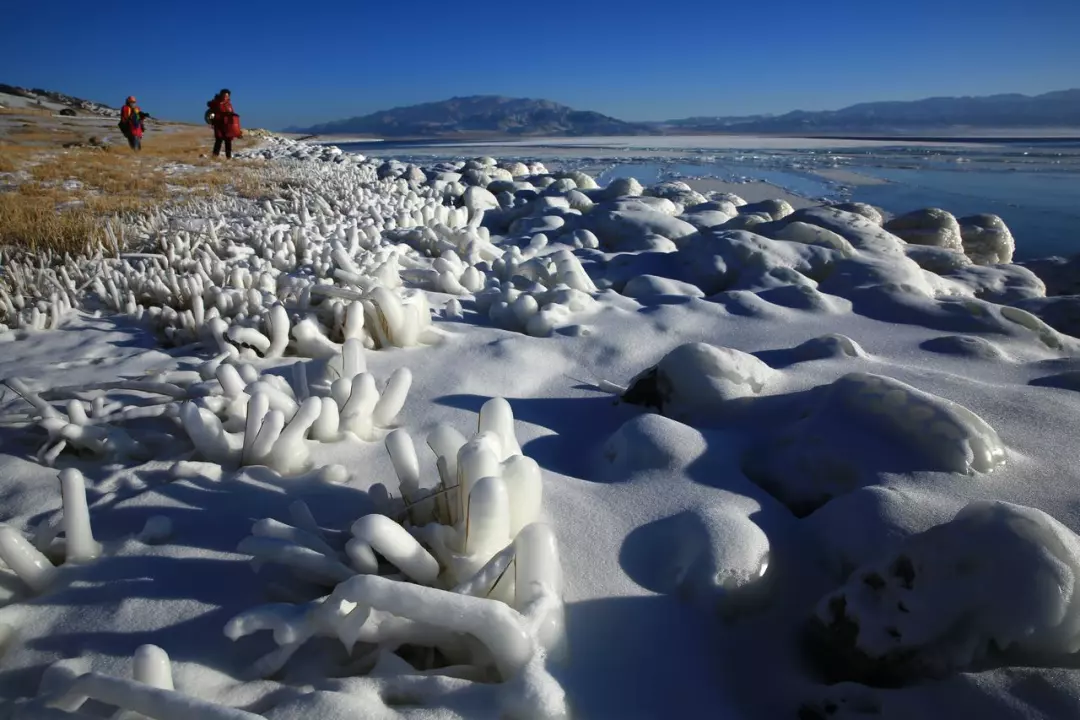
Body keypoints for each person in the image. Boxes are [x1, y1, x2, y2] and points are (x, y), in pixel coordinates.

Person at [206, 89, 242, 159]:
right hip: (218, 124)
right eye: (224, 95)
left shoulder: (229, 104)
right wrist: (212, 121)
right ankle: (214, 157)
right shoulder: (216, 103)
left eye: (227, 96)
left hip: (227, 125)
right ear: (221, 95)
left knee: (228, 140)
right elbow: (211, 113)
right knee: (218, 140)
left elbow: (231, 113)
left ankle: (228, 157)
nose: (225, 97)